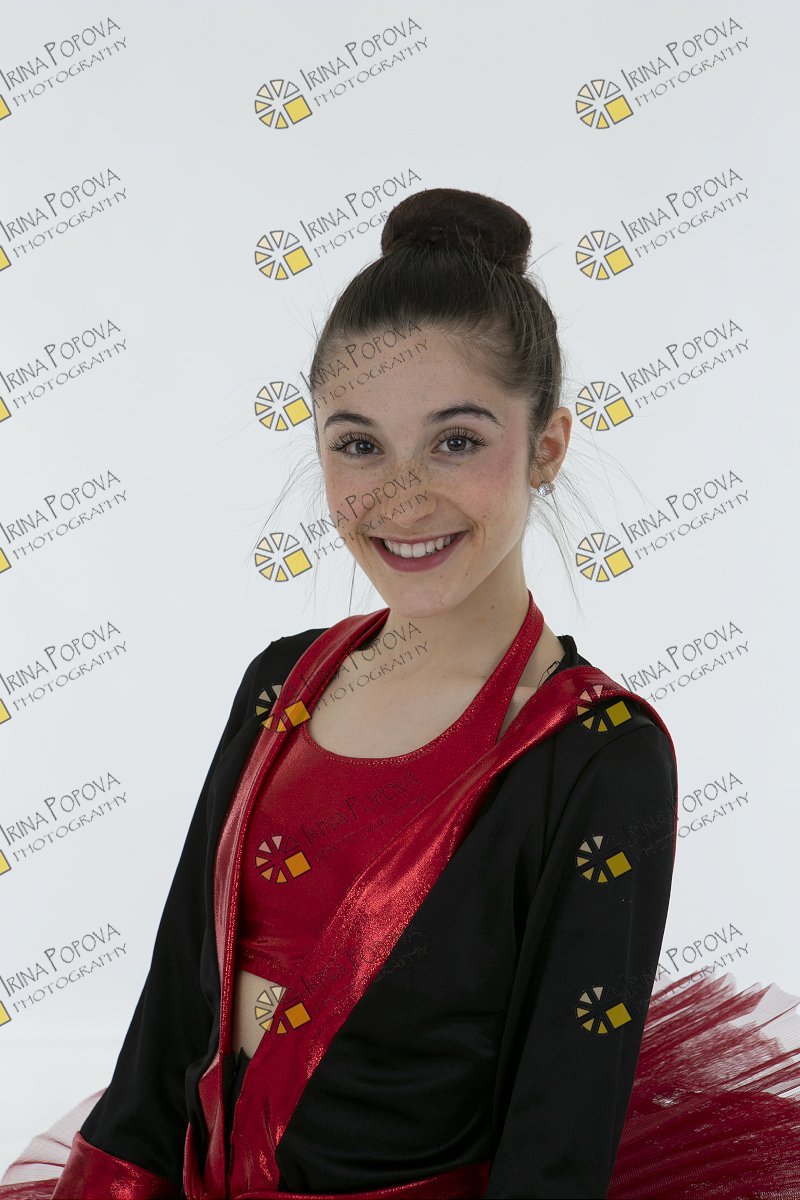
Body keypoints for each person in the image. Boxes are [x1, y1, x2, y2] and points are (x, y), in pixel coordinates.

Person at [1, 189, 798, 1200]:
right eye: (359, 444)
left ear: (547, 447)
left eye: (455, 441)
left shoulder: (593, 753)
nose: (399, 496)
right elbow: (170, 1013)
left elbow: (559, 1123)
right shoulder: (279, 684)